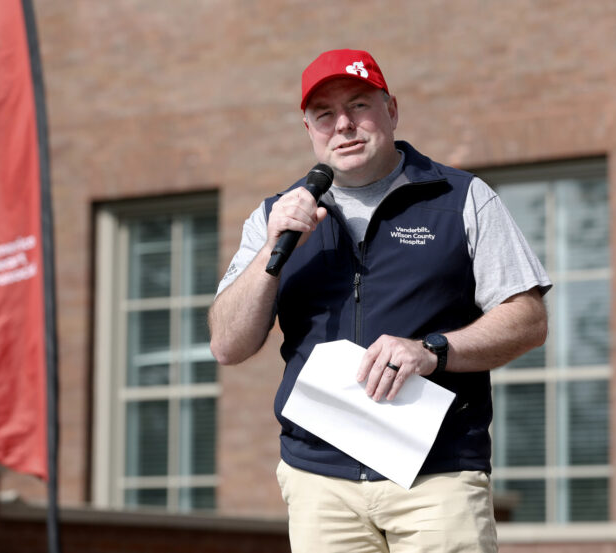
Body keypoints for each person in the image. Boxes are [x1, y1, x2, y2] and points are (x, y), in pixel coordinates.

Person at [208, 48, 551, 553]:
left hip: (437, 475)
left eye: (359, 106)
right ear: (308, 129)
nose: (343, 125)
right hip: (320, 481)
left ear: (391, 110)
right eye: (325, 114)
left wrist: (432, 350)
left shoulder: (462, 198)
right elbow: (226, 345)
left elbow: (528, 320)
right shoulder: (274, 218)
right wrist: (271, 252)